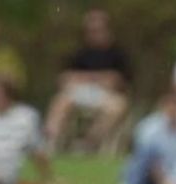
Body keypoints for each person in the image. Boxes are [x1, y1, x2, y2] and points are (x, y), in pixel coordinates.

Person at [44, 8, 132, 153]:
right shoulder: (79, 53)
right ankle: (49, 143)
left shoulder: (118, 54)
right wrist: (98, 78)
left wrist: (86, 78)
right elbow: (64, 78)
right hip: (80, 94)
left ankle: (88, 144)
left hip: (108, 97)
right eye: (91, 30)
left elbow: (119, 80)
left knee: (117, 107)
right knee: (60, 101)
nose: (94, 33)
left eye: (98, 30)